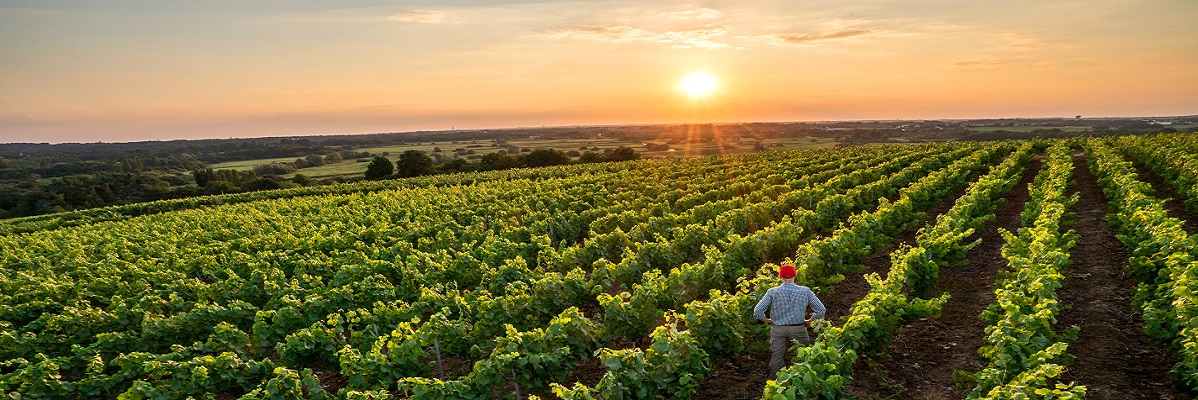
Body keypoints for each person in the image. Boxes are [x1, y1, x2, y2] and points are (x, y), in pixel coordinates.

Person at [753, 264, 826, 377]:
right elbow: (821, 309)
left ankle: (775, 383)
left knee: (777, 356)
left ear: (780, 277)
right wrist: (810, 320)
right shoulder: (805, 291)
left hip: (778, 329)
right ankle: (801, 380)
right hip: (798, 328)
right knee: (803, 355)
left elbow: (757, 310)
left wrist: (766, 320)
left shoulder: (772, 292)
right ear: (795, 275)